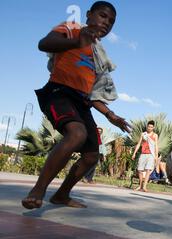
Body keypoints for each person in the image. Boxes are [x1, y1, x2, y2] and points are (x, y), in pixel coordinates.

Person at [22, 1, 131, 210]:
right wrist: (76, 42)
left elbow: (93, 95)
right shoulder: (71, 28)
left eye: (111, 21)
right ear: (89, 15)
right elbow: (44, 44)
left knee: (91, 156)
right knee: (77, 134)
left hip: (81, 102)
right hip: (58, 92)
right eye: (102, 15)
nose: (106, 22)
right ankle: (38, 189)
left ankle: (62, 195)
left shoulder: (100, 55)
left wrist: (110, 115)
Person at [132, 121, 159, 192]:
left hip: (151, 154)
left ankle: (144, 186)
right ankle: (140, 185)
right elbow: (138, 144)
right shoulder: (143, 134)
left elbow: (156, 146)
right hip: (143, 153)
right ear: (147, 126)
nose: (150, 128)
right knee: (140, 170)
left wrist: (156, 156)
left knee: (148, 170)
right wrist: (134, 153)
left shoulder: (155, 135)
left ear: (153, 127)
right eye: (148, 127)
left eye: (151, 127)